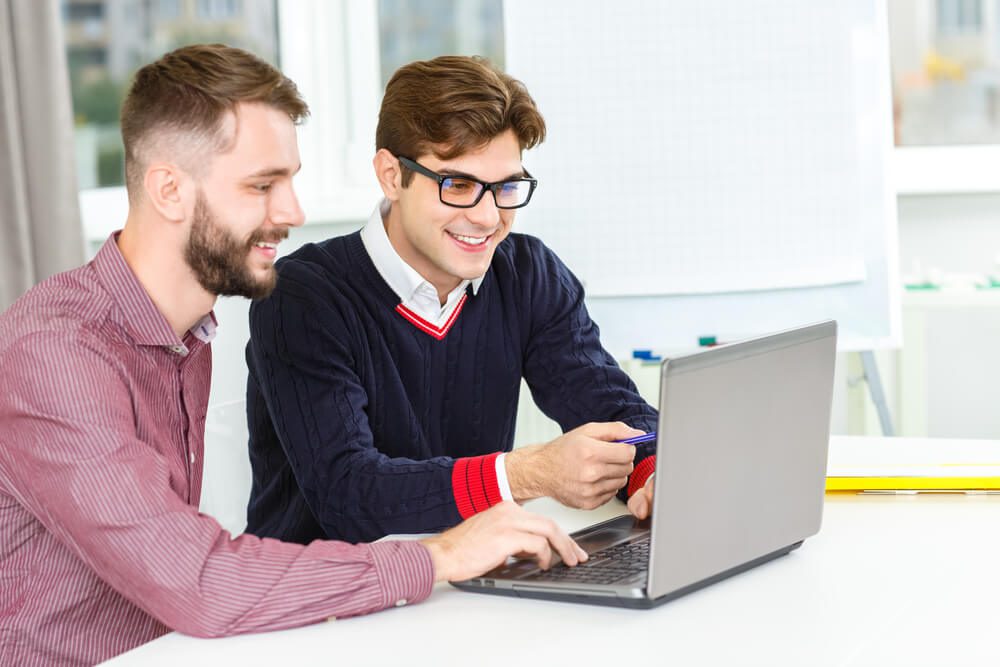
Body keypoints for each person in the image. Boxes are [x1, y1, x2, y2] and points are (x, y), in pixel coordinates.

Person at [0, 45, 587, 667]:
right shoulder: (56, 356)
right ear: (169, 190)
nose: (293, 213)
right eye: (262, 186)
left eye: (290, 181)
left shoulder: (184, 333)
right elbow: (200, 582)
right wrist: (438, 557)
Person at [245, 55, 659, 547]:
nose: (487, 217)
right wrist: (527, 474)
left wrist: (651, 476)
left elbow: (614, 410)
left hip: (470, 579)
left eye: (505, 187)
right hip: (325, 599)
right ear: (391, 175)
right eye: (458, 185)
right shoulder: (301, 296)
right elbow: (348, 495)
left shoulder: (527, 273)